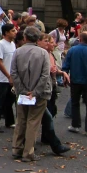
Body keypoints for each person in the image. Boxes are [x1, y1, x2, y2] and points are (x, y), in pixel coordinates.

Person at [10, 26, 52, 161]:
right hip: (38, 92)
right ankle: (28, 152)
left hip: (22, 91)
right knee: (33, 122)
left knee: (21, 120)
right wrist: (35, 91)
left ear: (25, 37)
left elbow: (14, 73)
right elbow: (45, 74)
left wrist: (21, 89)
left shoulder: (17, 52)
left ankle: (17, 148)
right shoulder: (43, 53)